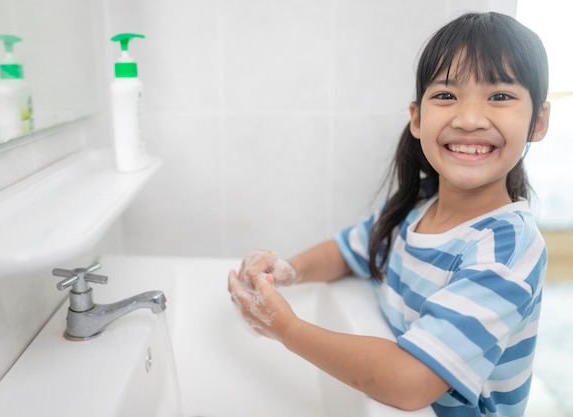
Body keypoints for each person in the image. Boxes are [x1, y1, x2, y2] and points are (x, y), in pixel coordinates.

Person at [227, 11, 551, 417]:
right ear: (417, 118)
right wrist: (287, 269)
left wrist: (284, 328)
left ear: (538, 121)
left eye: (500, 96)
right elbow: (350, 250)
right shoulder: (417, 207)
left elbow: (411, 381)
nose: (469, 119)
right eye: (446, 95)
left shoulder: (507, 251)